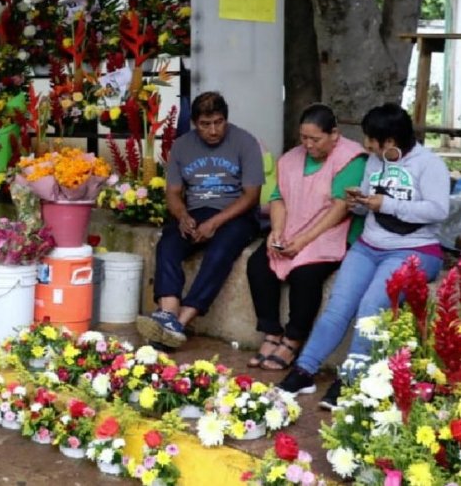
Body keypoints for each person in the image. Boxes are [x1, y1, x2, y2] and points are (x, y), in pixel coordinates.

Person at [277, 103, 449, 408]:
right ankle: (304, 370)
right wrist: (358, 202)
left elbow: (438, 210)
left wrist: (387, 204)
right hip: (368, 246)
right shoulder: (375, 160)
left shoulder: (429, 164)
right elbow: (369, 205)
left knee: (371, 306)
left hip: (414, 250)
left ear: (390, 141)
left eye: (371, 139)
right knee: (338, 306)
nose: (365, 144)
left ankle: (351, 380)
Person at [136, 91, 265, 348]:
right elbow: (173, 193)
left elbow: (251, 196)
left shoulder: (245, 142)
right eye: (206, 124)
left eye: (218, 122)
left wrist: (215, 223)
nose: (213, 130)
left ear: (226, 119)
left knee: (220, 252)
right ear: (195, 123)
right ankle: (168, 314)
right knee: (168, 244)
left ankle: (181, 321)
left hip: (237, 214)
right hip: (196, 211)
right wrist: (183, 216)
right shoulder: (182, 146)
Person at [247, 104, 366, 370]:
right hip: (293, 226)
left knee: (305, 274)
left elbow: (340, 208)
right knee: (259, 264)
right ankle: (271, 332)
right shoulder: (290, 159)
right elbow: (278, 198)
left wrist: (302, 242)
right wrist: (277, 231)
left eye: (315, 139)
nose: (308, 145)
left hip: (331, 231)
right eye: (303, 138)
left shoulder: (351, 159)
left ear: (334, 134)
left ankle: (293, 340)